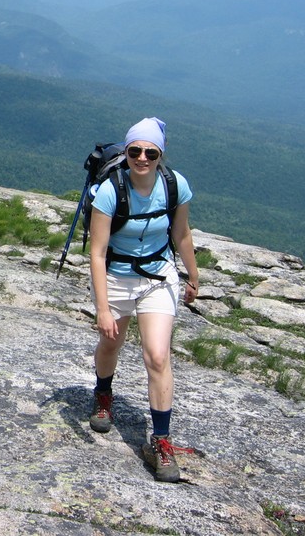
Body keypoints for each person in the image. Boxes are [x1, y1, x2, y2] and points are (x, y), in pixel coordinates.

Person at [87, 117, 199, 483]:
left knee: (157, 354)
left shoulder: (174, 185)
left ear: (160, 155)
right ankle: (104, 394)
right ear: (128, 152)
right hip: (117, 276)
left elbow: (181, 233)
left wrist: (193, 274)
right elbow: (98, 252)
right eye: (135, 150)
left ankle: (161, 441)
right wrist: (103, 308)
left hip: (157, 276)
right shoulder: (109, 191)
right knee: (111, 342)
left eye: (150, 152)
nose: (142, 158)